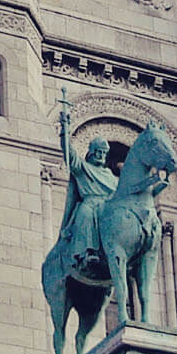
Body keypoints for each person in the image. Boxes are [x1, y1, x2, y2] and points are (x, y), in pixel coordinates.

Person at [57, 104, 117, 273]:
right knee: (85, 214)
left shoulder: (110, 176)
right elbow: (69, 153)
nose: (102, 156)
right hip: (90, 204)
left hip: (108, 206)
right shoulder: (82, 167)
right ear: (91, 152)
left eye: (104, 153)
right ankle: (85, 253)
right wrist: (65, 131)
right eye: (99, 152)